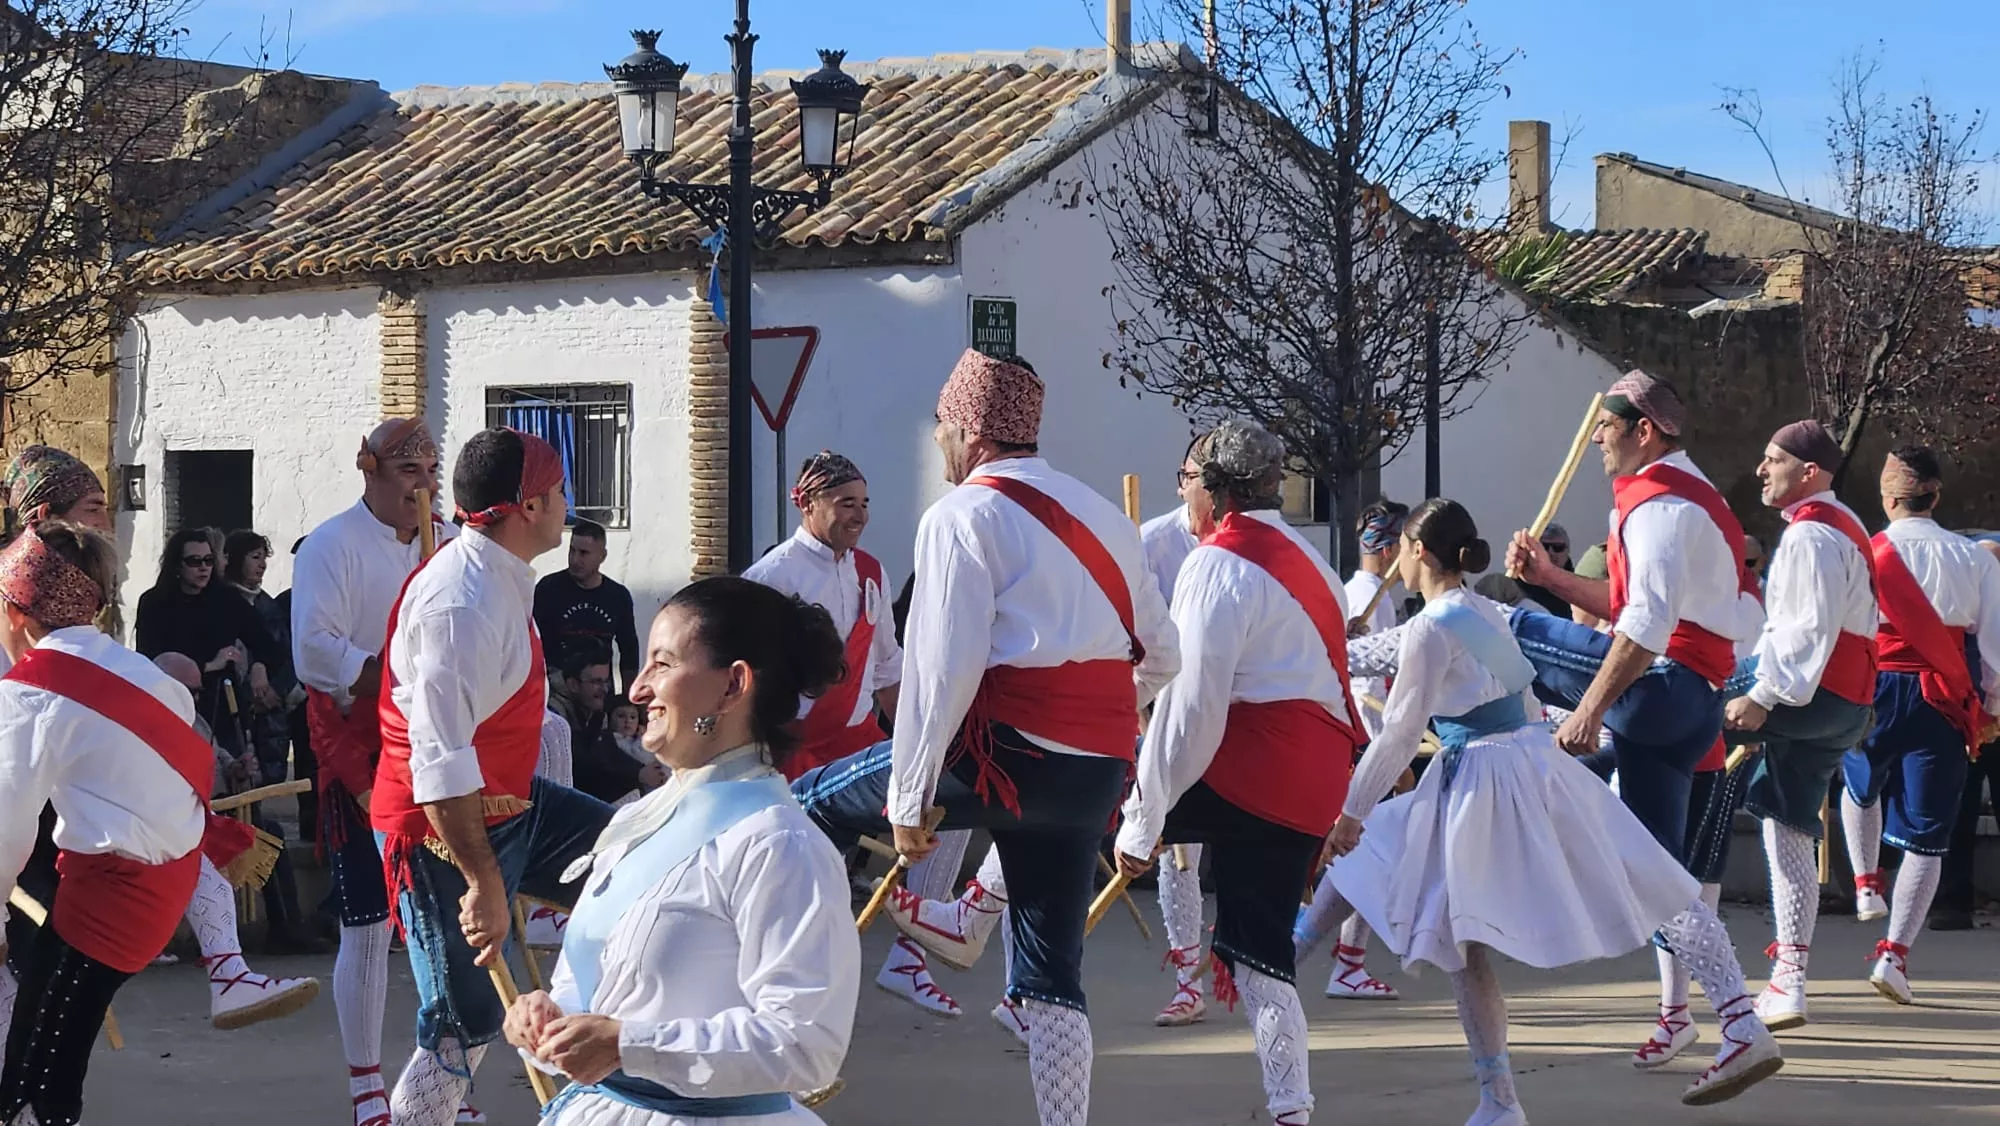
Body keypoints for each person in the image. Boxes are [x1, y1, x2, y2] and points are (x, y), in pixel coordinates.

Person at [792, 350, 1178, 1126]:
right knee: (1051, 971)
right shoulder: (1105, 515)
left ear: (968, 431)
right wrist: (1092, 712)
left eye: (941, 427)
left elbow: (942, 668)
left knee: (801, 808)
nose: (937, 441)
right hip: (1094, 769)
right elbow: (1163, 655)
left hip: (1007, 756)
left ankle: (790, 1036)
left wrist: (908, 799)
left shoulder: (962, 515)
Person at [1306, 499, 1782, 1119]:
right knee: (1651, 879)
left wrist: (1349, 810)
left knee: (1461, 932)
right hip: (1535, 763)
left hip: (1483, 777)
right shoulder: (1488, 612)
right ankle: (1739, 1018)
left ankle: (1497, 1098)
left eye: (1401, 547)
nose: (1395, 557)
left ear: (1418, 551)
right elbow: (1394, 653)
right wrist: (1334, 649)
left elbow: (1399, 730)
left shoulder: (1440, 623)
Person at [503, 577, 859, 1123]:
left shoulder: (780, 845)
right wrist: (548, 1020)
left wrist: (630, 1046)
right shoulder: (642, 821)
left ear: (732, 686)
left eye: (662, 664)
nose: (638, 689)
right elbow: (594, 991)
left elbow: (807, 1044)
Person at [1500, 372, 1766, 1064]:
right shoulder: (1699, 501)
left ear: (1643, 430)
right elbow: (1631, 602)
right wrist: (1553, 579)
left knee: (1494, 620)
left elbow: (1643, 623)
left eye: (1605, 429)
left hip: (1659, 689)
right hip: (1692, 702)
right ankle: (1730, 1020)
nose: (1595, 441)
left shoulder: (1658, 507)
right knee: (1661, 880)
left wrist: (1589, 710)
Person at [1115, 420, 1363, 1126]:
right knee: (1261, 959)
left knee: (1079, 779)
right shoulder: (1309, 560)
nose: (1183, 495)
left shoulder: (1217, 565)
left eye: (1189, 480)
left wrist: (1143, 816)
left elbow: (1192, 714)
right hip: (1308, 777)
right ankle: (1291, 1110)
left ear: (1216, 492)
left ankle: (981, 912)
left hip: (1257, 771)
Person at [371, 427, 615, 1126]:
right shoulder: (462, 602)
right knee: (462, 1019)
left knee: (631, 859)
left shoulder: (493, 572)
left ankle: (577, 1041)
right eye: (561, 490)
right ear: (531, 505)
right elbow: (440, 761)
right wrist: (483, 883)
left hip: (510, 806)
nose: (569, 503)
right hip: (442, 830)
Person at [291, 417, 480, 1126]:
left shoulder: (455, 546)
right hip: (361, 744)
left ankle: (448, 1079)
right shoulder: (331, 546)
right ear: (368, 470)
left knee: (450, 921)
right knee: (369, 922)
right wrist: (387, 674)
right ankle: (367, 1087)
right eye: (409, 471)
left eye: (432, 469)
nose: (425, 485)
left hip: (441, 745)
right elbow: (313, 650)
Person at [0, 523, 209, 1126]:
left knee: (42, 1073)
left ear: (17, 614)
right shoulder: (143, 672)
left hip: (111, 896)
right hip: (163, 881)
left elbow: (8, 827)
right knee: (39, 1047)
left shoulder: (31, 694)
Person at [745, 451, 963, 1017]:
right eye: (846, 504)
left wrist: (920, 743)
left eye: (864, 504)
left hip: (856, 737)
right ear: (806, 503)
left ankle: (910, 958)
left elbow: (888, 669)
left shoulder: (871, 571)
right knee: (798, 878)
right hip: (790, 746)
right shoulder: (771, 578)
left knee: (950, 804)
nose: (859, 515)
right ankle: (783, 989)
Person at [1724, 421, 1878, 1032]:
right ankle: (1788, 979)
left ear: (1808, 471)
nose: (1760, 470)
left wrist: (1761, 694)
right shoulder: (1847, 527)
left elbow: (1804, 632)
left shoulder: (1813, 535)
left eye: (1772, 460)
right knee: (1786, 822)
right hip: (1843, 706)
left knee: (1663, 711)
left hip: (1806, 695)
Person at [1839, 447, 2000, 998]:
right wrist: (1990, 712)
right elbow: (1995, 650)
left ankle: (1865, 882)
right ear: (1936, 496)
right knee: (1928, 836)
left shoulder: (1865, 552)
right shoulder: (1975, 557)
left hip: (1874, 684)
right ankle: (1895, 956)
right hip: (1942, 693)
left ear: (1888, 499)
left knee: (1859, 784)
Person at [152, 651, 324, 1027]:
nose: (194, 699)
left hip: (193, 821)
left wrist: (237, 768)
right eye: (186, 690)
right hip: (134, 832)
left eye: (198, 692)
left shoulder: (192, 719)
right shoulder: (145, 720)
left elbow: (219, 765)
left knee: (258, 841)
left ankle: (277, 932)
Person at [1325, 498, 1408, 1004]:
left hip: (1373, 736)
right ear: (1394, 546)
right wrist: (1388, 756)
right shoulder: (1361, 597)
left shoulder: (1376, 597)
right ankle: (1346, 963)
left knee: (1365, 854)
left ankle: (1346, 959)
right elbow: (1362, 685)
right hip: (1365, 739)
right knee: (1364, 854)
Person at [135, 528, 286, 757]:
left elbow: (268, 644)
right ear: (177, 565)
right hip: (174, 708)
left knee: (234, 779)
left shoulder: (226, 599)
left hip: (223, 707)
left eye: (208, 560)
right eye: (194, 561)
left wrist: (259, 666)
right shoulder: (154, 602)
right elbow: (149, 659)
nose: (204, 567)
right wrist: (209, 664)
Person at [534, 519, 641, 692]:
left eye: (584, 553)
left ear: (602, 556)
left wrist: (629, 699)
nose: (575, 559)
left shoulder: (617, 596)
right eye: (572, 551)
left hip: (600, 692)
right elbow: (533, 643)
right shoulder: (548, 589)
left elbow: (629, 651)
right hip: (557, 691)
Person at [1518, 522, 1574, 618]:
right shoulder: (1516, 587)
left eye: (1558, 548)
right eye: (1544, 547)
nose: (1551, 552)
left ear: (1567, 551)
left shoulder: (1577, 586)